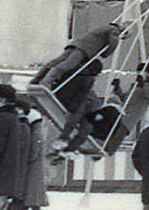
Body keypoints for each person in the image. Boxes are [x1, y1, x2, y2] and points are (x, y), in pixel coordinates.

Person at [33, 22, 122, 151]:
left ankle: (37, 79)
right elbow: (113, 42)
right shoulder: (113, 30)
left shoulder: (99, 29)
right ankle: (66, 145)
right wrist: (107, 52)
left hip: (75, 45)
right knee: (65, 66)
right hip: (84, 51)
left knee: (57, 63)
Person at [23, 112, 50, 210]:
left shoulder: (35, 133)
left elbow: (33, 152)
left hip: (32, 170)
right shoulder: (39, 131)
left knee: (29, 200)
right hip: (36, 170)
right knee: (34, 201)